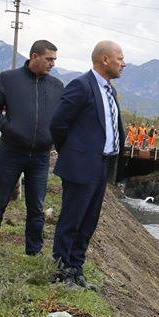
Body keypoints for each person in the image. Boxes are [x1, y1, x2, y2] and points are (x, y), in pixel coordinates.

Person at [50, 40, 125, 289]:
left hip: (101, 165)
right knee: (72, 219)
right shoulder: (81, 86)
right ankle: (61, 272)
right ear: (105, 60)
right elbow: (58, 124)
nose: (123, 63)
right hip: (81, 164)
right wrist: (72, 152)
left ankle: (76, 268)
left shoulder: (110, 90)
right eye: (120, 58)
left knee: (89, 220)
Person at [0, 40, 64, 254]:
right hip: (11, 152)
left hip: (41, 156)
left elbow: (61, 118)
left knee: (36, 206)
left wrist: (53, 137)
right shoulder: (9, 79)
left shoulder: (56, 86)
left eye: (54, 59)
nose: (52, 63)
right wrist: (10, 128)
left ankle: (33, 251)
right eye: (49, 59)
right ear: (35, 56)